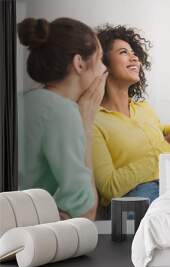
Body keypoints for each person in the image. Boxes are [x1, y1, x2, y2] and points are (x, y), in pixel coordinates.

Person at [93, 24, 170, 208]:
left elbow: (154, 130)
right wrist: (167, 146)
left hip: (169, 183)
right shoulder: (95, 122)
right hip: (137, 195)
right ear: (103, 63)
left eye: (134, 52)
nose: (134, 57)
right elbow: (109, 187)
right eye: (123, 52)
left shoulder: (143, 108)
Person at [18, 17, 107, 220]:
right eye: (100, 59)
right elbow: (86, 213)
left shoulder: (25, 101)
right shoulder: (62, 112)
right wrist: (86, 122)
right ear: (79, 64)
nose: (104, 69)